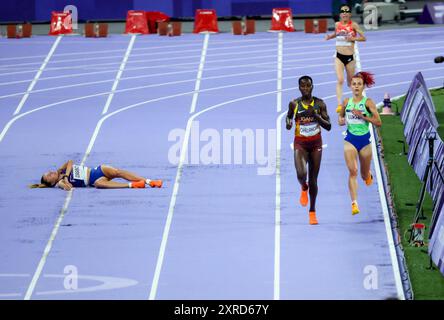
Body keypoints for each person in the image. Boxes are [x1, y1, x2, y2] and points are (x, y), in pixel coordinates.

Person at [286, 76, 332, 225]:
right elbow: (288, 118)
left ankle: (312, 211)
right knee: (301, 174)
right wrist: (289, 123)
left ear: (312, 87)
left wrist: (316, 116)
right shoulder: (294, 104)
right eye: (302, 86)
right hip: (300, 143)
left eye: (308, 86)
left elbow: (329, 126)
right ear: (299, 88)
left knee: (313, 180)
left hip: (315, 144)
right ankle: (303, 187)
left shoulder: (320, 104)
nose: (305, 89)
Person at [338, 71, 381, 215]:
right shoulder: (346, 102)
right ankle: (354, 203)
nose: (356, 87)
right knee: (353, 171)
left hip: (365, 141)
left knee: (363, 174)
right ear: (350, 86)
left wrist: (362, 116)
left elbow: (378, 122)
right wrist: (341, 120)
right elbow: (340, 118)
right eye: (354, 84)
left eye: (359, 84)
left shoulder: (368, 103)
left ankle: (368, 176)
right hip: (350, 140)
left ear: (363, 87)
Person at [325, 4, 366, 114]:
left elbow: (363, 38)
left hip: (350, 58)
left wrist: (353, 38)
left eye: (346, 11)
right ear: (340, 14)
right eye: (342, 11)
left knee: (351, 82)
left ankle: (357, 103)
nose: (344, 13)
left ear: (350, 14)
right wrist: (330, 37)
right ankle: (339, 104)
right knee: (340, 80)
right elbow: (337, 33)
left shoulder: (354, 25)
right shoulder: (337, 24)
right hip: (338, 56)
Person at [30, 160, 163, 190]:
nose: (50, 172)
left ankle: (149, 181)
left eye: (48, 172)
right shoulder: (59, 183)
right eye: (49, 176)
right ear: (52, 182)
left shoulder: (62, 171)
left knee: (118, 172)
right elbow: (68, 188)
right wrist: (64, 183)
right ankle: (133, 185)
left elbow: (70, 161)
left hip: (96, 171)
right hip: (94, 180)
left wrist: (64, 174)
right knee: (99, 184)